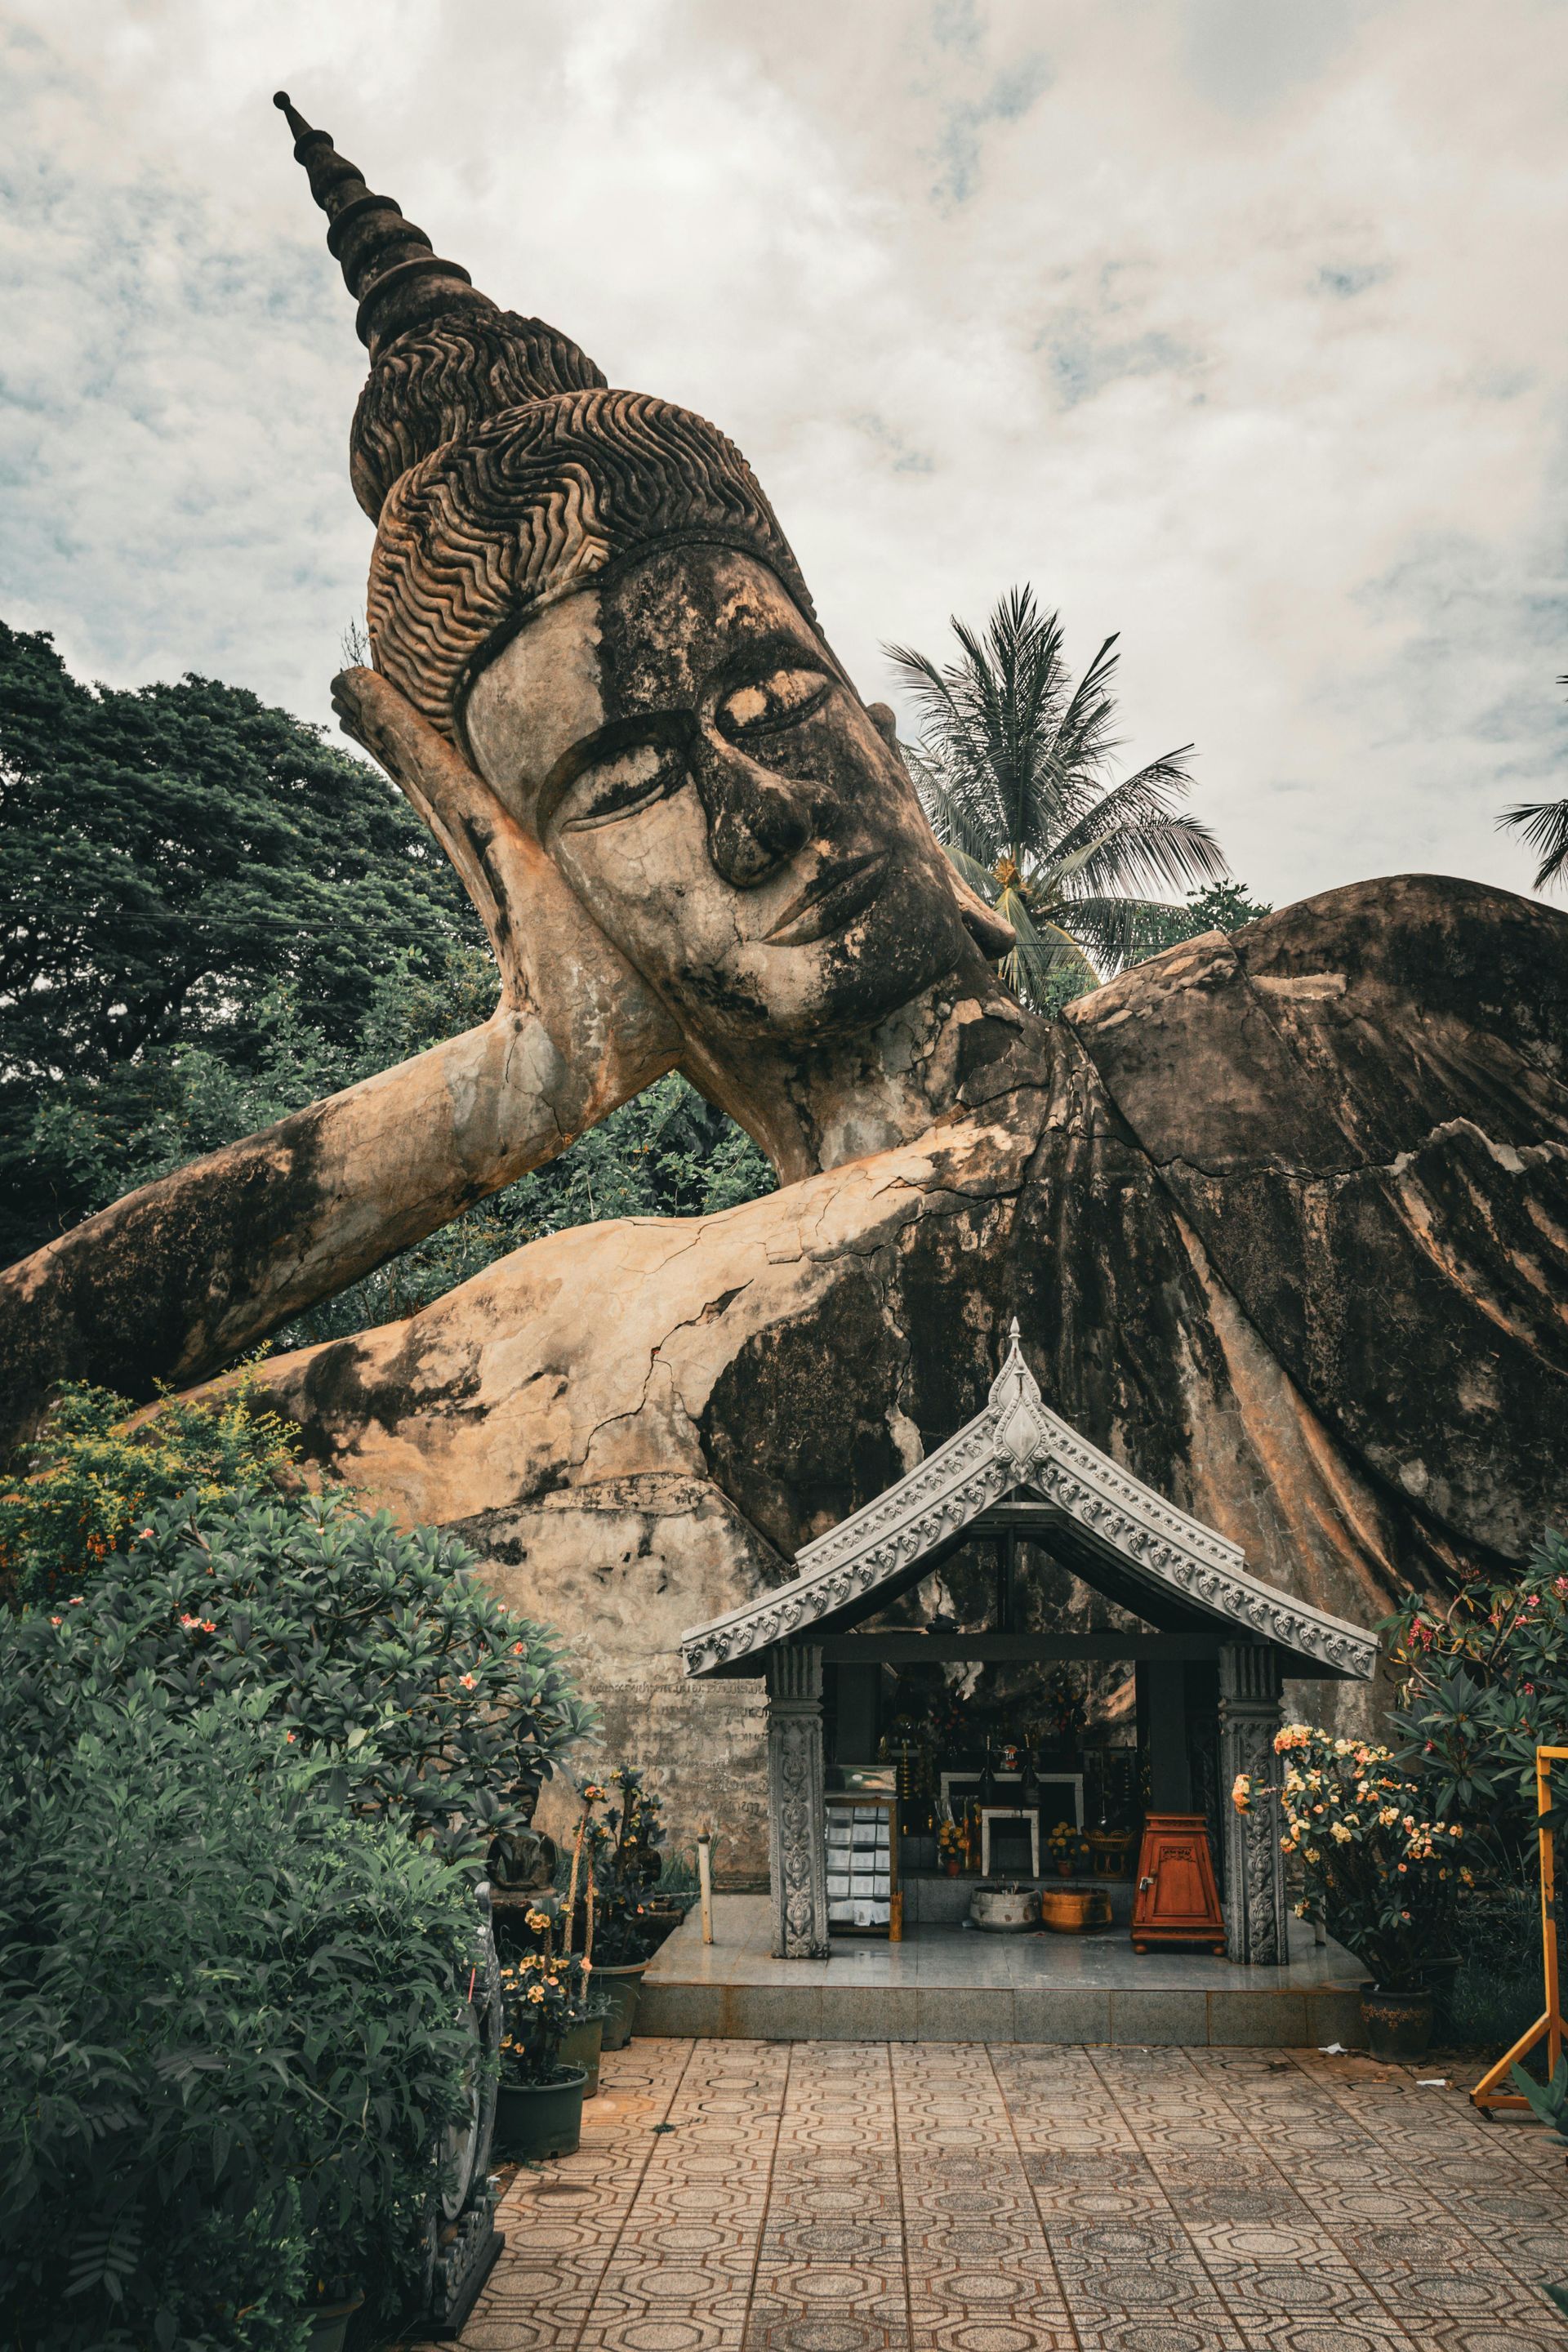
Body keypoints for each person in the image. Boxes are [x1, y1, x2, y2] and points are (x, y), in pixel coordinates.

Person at [5, 97, 1565, 1863]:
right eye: (631, 782)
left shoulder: (1352, 1005)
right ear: (548, 876)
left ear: (888, 742)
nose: (754, 809)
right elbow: (40, 1462)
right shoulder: (579, 1327)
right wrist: (502, 1090)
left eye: (769, 698)